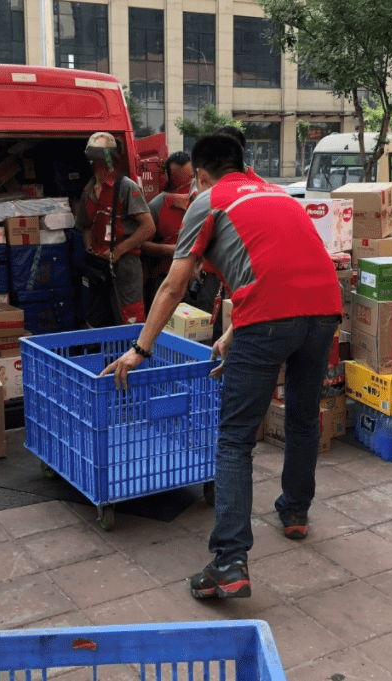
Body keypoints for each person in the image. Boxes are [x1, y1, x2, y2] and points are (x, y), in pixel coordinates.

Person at [102, 134, 342, 599]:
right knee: (301, 416)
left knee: (233, 439)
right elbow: (279, 264)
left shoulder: (209, 201)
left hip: (274, 316)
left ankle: (230, 560)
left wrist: (141, 350)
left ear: (202, 174)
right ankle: (295, 513)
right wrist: (235, 332)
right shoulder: (277, 194)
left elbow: (173, 286)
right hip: (324, 310)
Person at [75, 131, 155, 325]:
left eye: (102, 158)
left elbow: (148, 227)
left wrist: (119, 250)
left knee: (129, 318)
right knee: (99, 319)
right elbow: (85, 226)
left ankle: (133, 354)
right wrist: (90, 250)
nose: (98, 163)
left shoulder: (126, 187)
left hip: (125, 263)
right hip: (99, 266)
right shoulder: (88, 191)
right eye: (94, 158)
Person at [141, 151, 194, 312]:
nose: (187, 184)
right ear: (168, 178)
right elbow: (140, 244)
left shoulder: (202, 203)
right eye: (181, 179)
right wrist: (168, 250)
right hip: (164, 279)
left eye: (191, 178)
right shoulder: (158, 205)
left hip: (194, 281)